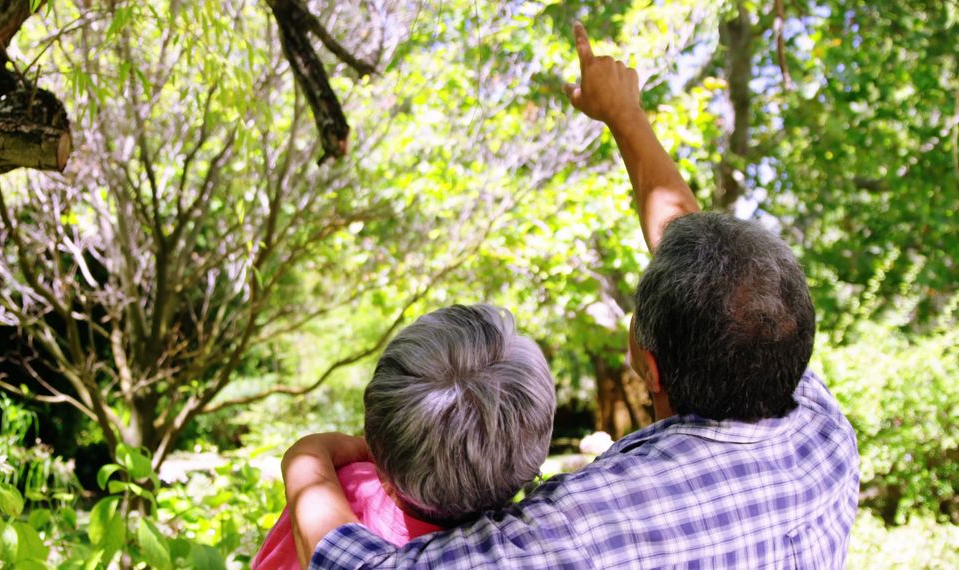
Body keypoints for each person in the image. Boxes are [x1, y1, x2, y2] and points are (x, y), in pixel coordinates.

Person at [279, 21, 860, 569]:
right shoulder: (818, 422)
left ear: (648, 367)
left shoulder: (591, 525)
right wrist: (625, 116)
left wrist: (309, 460)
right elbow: (702, 249)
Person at [255, 304, 556, 569]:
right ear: (532, 460)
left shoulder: (341, 489)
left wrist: (316, 454)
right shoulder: (527, 543)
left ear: (378, 431)